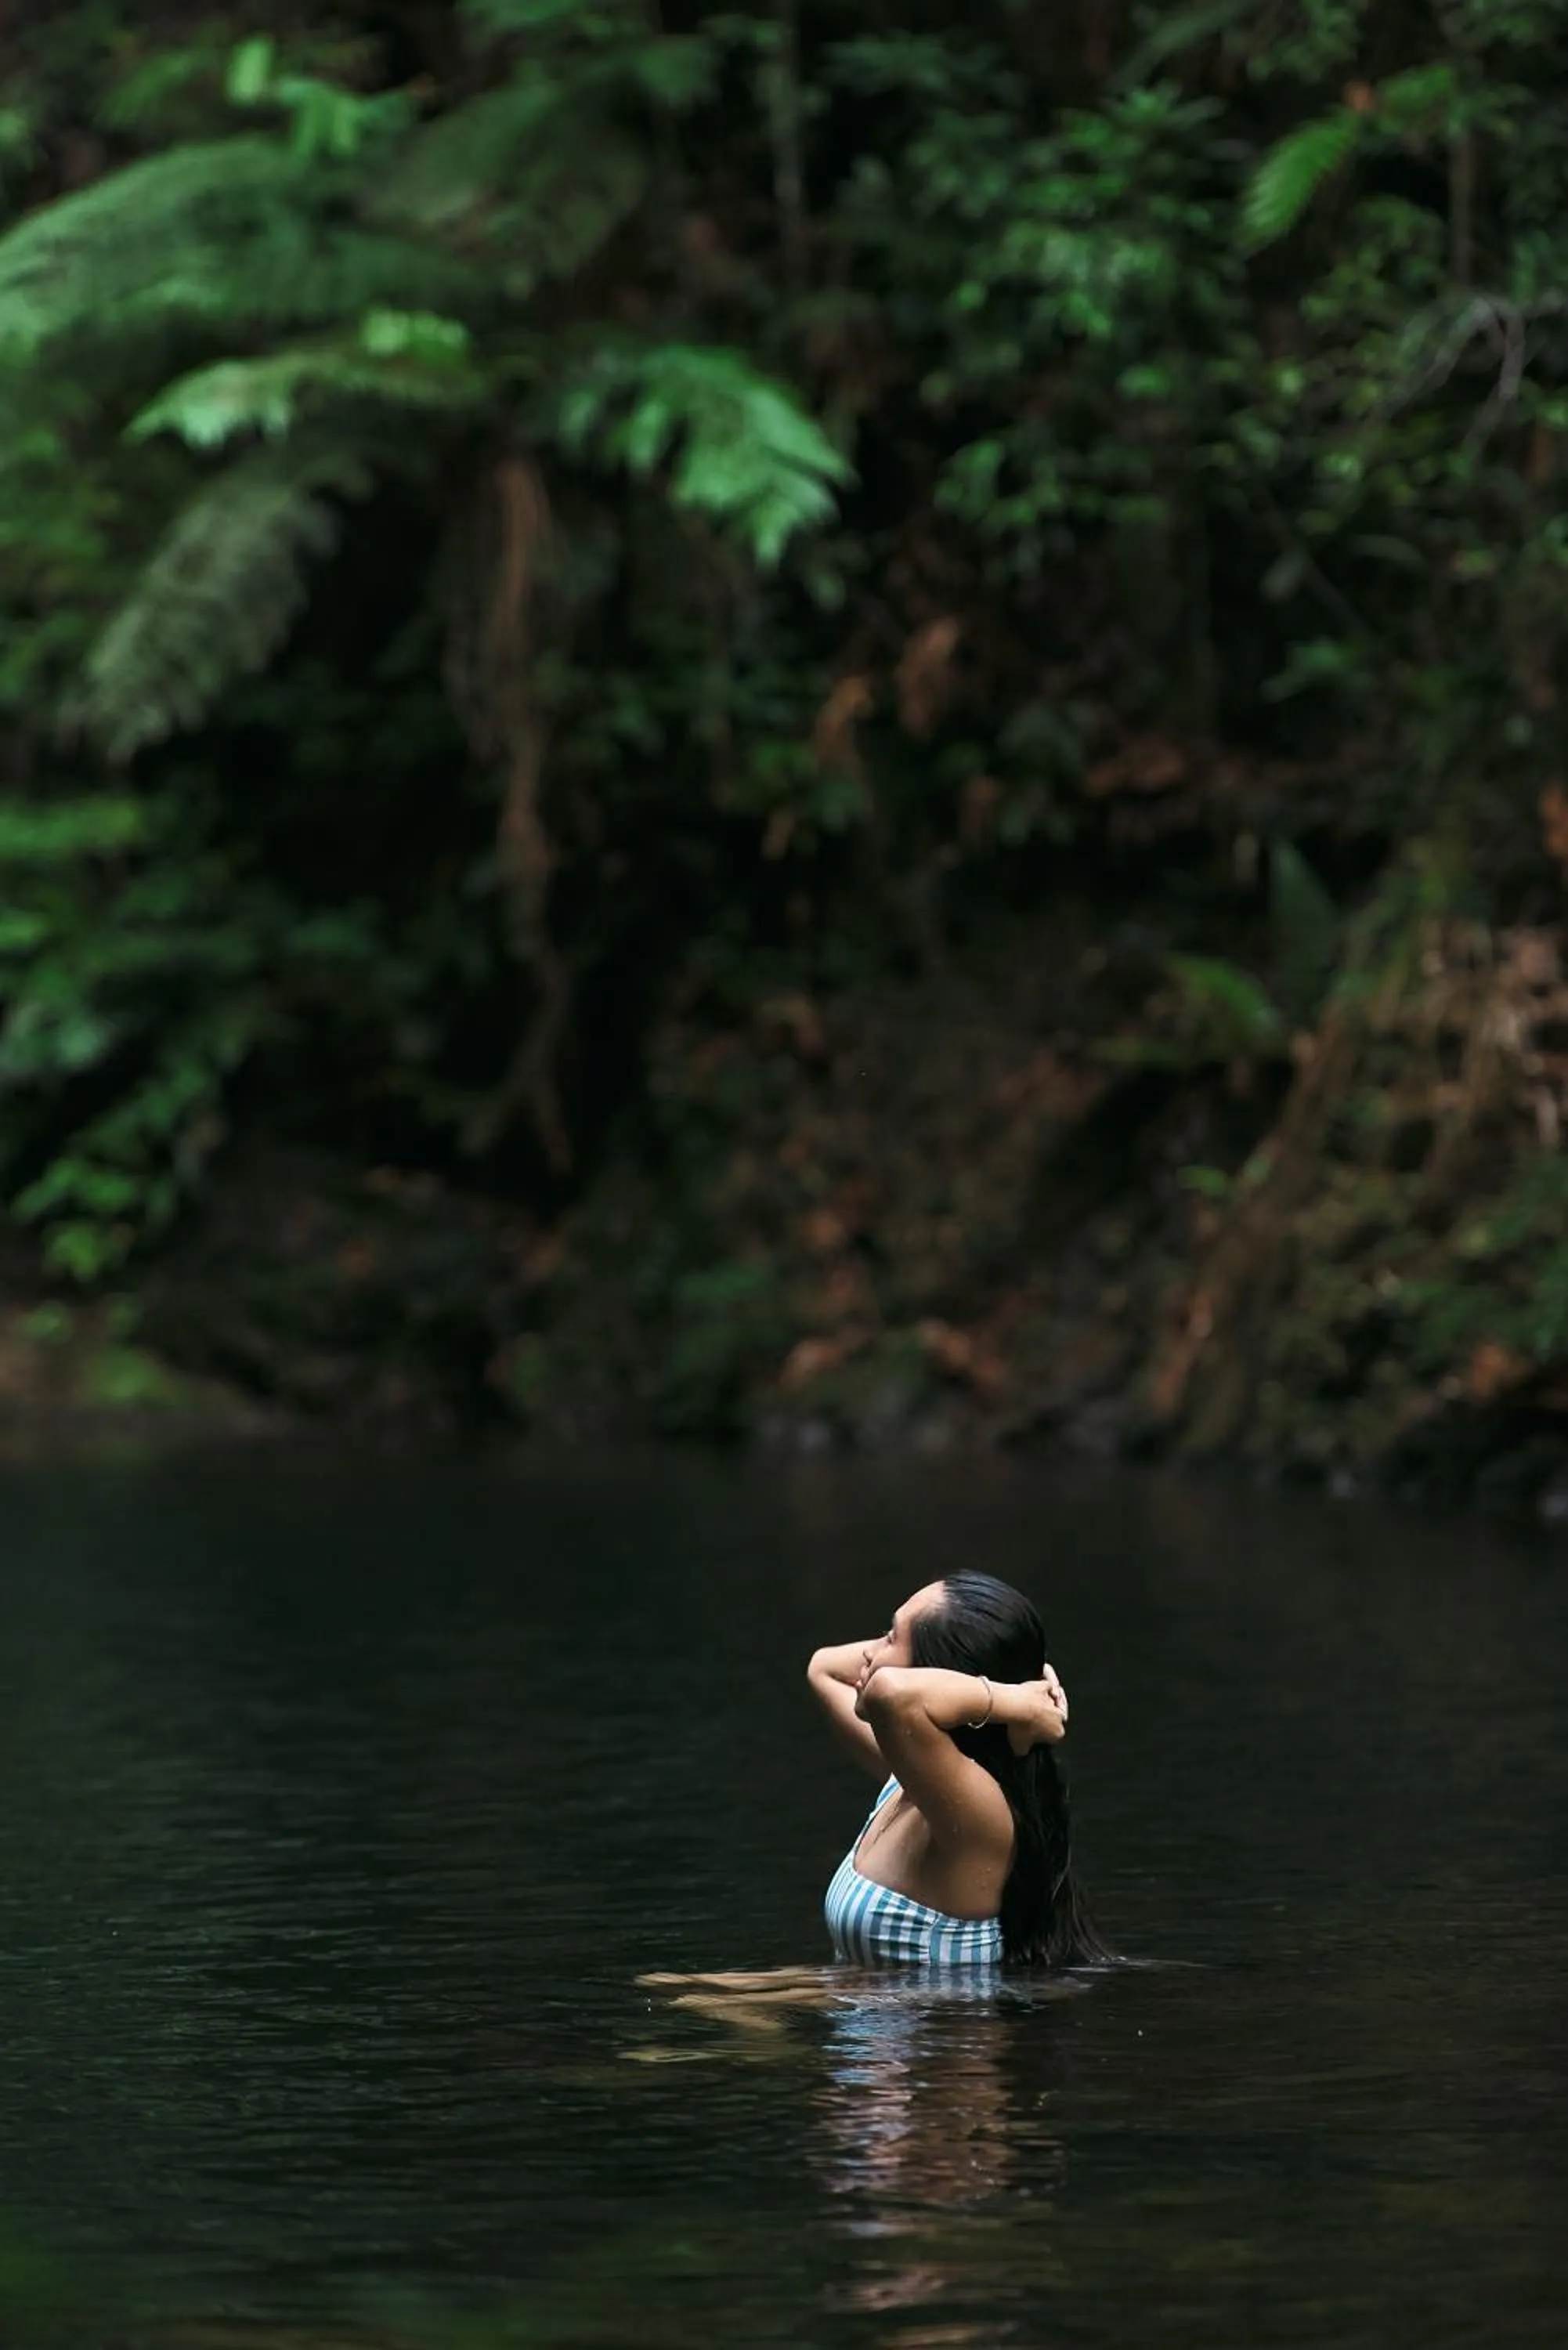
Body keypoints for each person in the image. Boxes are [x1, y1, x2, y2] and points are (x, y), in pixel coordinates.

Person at [808, 1571, 1111, 1969]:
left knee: (705, 2005)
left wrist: (1017, 1701)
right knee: (700, 1996)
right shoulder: (912, 1779)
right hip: (871, 2012)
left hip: (948, 2032)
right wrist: (1015, 1699)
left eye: (891, 1637)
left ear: (931, 1676)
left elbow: (891, 1696)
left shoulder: (976, 1814)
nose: (870, 1651)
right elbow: (823, 1669)